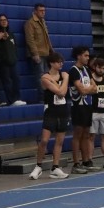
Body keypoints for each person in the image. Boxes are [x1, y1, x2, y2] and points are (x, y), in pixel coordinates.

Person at [29, 51, 70, 180]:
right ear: (51, 63)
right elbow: (60, 92)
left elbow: (63, 92)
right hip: (51, 111)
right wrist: (64, 82)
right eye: (58, 62)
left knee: (59, 141)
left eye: (62, 62)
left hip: (63, 111)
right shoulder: (45, 77)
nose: (61, 64)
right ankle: (38, 166)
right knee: (44, 140)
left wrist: (62, 81)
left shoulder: (64, 75)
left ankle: (55, 167)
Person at [68, 45, 98, 174]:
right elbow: (82, 90)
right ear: (78, 56)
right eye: (85, 55)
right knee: (78, 134)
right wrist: (88, 89)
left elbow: (95, 88)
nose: (88, 58)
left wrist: (88, 89)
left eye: (88, 55)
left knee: (86, 133)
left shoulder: (87, 70)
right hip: (78, 106)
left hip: (87, 105)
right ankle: (76, 163)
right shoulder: (73, 71)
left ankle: (86, 161)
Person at [0, 13, 25, 106]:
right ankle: (11, 100)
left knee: (16, 80)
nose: (4, 22)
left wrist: (15, 57)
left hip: (13, 61)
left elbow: (15, 47)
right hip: (3, 62)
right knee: (7, 81)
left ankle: (17, 98)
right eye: (1, 20)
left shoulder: (11, 34)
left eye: (5, 20)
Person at [25, 3, 53, 79]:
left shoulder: (43, 22)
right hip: (38, 54)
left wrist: (51, 51)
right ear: (35, 11)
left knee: (47, 76)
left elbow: (46, 38)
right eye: (41, 10)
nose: (43, 12)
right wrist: (35, 53)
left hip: (46, 53)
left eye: (44, 10)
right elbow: (30, 39)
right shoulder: (30, 23)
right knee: (40, 77)